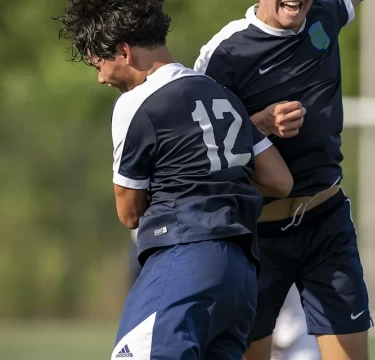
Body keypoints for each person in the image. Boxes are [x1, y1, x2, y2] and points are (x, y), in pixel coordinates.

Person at [56, 1, 293, 359]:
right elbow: (280, 180)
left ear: (123, 51)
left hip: (185, 260)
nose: (100, 78)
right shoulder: (221, 94)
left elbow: (129, 213)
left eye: (99, 65)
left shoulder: (136, 103)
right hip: (241, 276)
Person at [194, 1, 372, 359]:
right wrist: (258, 125)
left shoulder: (326, 12)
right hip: (256, 237)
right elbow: (200, 153)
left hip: (327, 223)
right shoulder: (224, 53)